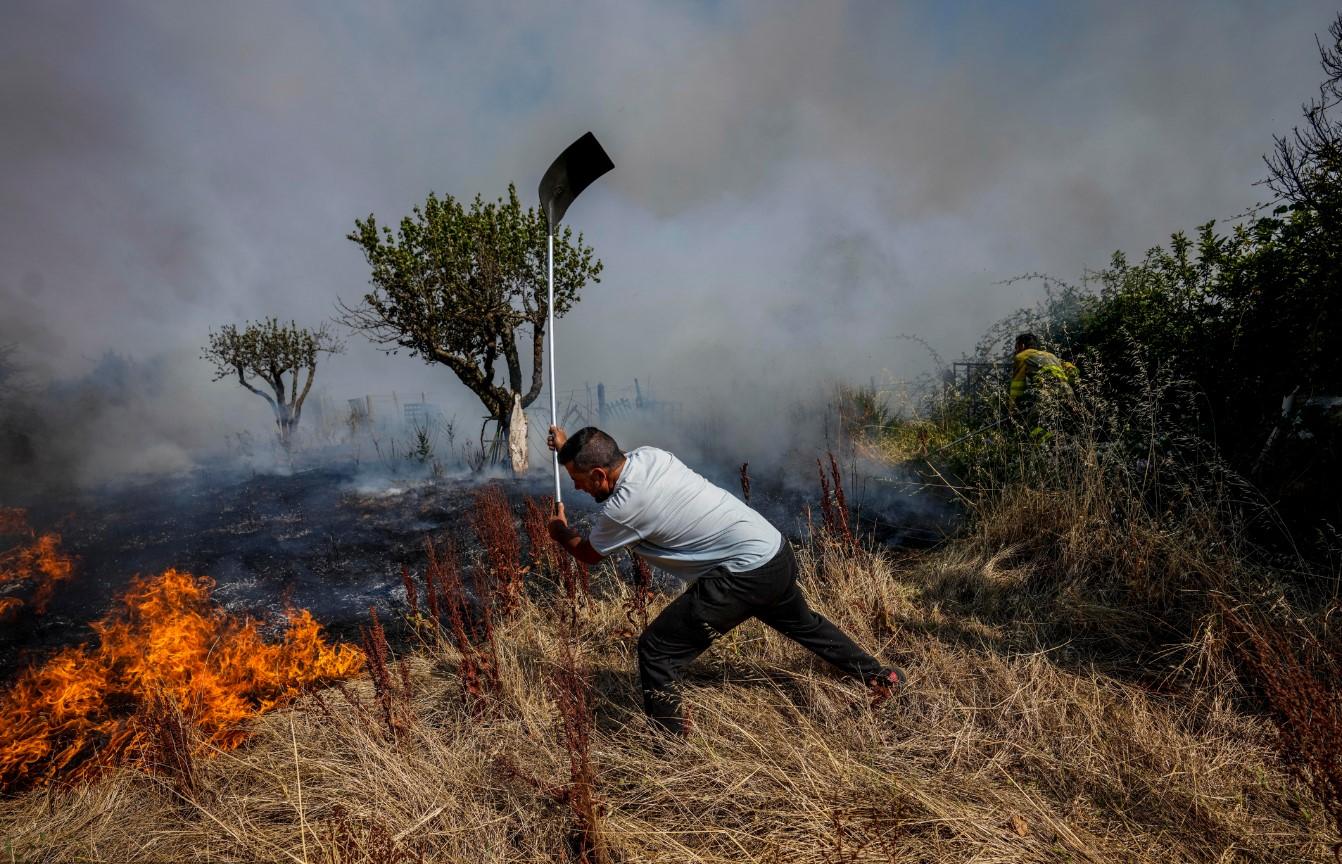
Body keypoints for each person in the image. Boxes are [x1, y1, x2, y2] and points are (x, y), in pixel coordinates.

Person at [546, 425, 906, 736]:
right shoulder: (650, 456)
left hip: (743, 574)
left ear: (598, 474)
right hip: (772, 551)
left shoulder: (624, 506)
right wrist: (565, 449)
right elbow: (598, 456)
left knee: (657, 650)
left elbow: (590, 554)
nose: (578, 490)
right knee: (804, 624)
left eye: (579, 482)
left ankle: (667, 748)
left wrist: (559, 531)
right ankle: (879, 675)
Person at [1009, 333, 1077, 424]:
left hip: (1049, 394)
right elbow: (1071, 369)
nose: (1015, 350)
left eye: (1016, 347)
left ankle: (1048, 439)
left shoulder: (1021, 356)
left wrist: (1012, 408)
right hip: (1069, 393)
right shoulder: (1050, 355)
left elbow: (1017, 386)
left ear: (1022, 345)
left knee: (1034, 424)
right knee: (1066, 425)